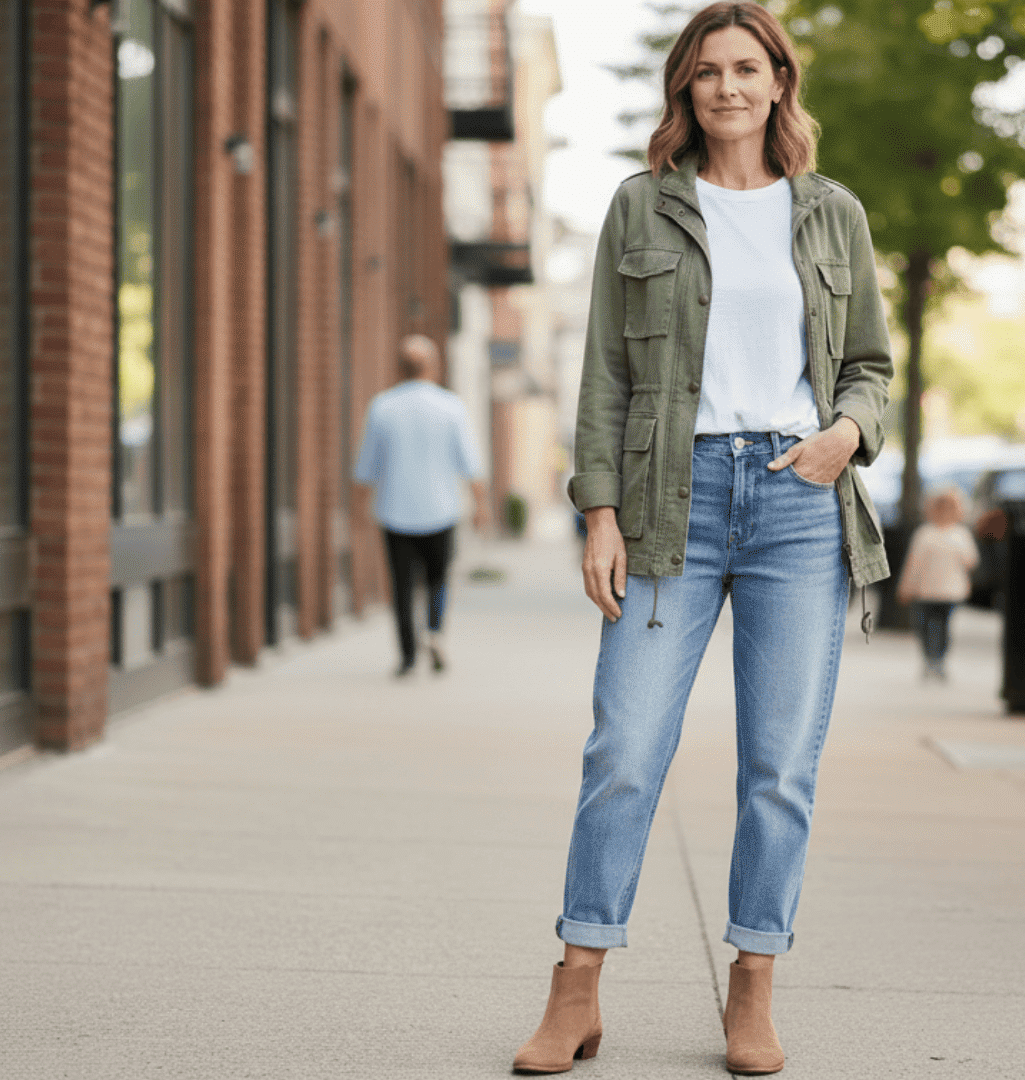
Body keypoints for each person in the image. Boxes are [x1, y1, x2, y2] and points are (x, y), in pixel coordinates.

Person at [512, 4, 892, 1074]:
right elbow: (603, 377)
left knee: (779, 766)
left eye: (747, 68)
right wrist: (599, 511)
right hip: (669, 506)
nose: (727, 87)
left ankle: (753, 982)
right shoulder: (641, 210)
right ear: (685, 88)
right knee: (623, 750)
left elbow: (872, 364)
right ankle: (577, 985)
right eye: (707, 71)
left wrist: (846, 436)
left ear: (779, 82)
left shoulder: (830, 215)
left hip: (796, 505)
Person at [352, 335, 488, 676]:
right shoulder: (451, 406)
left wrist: (358, 510)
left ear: (399, 367)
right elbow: (470, 463)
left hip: (394, 511)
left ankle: (408, 655)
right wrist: (480, 505)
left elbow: (366, 468)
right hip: (441, 510)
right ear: (433, 366)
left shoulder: (382, 406)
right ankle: (435, 632)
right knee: (438, 578)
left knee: (400, 586)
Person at [895, 486, 979, 681]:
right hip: (925, 591)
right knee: (924, 627)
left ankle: (939, 661)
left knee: (943, 628)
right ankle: (929, 659)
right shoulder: (924, 533)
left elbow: (971, 561)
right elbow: (913, 564)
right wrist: (906, 587)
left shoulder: (961, 534)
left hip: (950, 592)